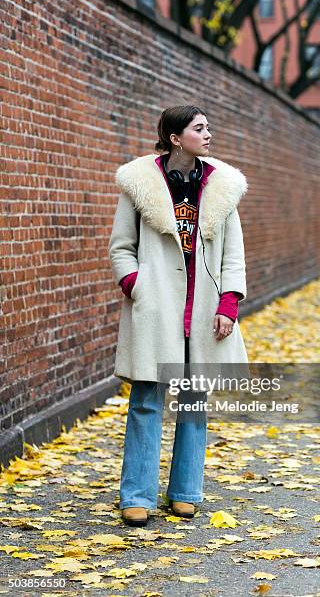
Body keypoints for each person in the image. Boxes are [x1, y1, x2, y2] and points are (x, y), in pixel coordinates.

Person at [108, 105, 249, 527]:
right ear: (175, 137)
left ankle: (186, 491)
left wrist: (228, 304)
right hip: (157, 307)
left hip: (204, 309)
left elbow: (233, 255)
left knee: (194, 402)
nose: (209, 134)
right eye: (199, 128)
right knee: (147, 399)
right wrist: (137, 285)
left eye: (208, 126)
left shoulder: (221, 186)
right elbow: (120, 247)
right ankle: (137, 495)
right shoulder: (140, 184)